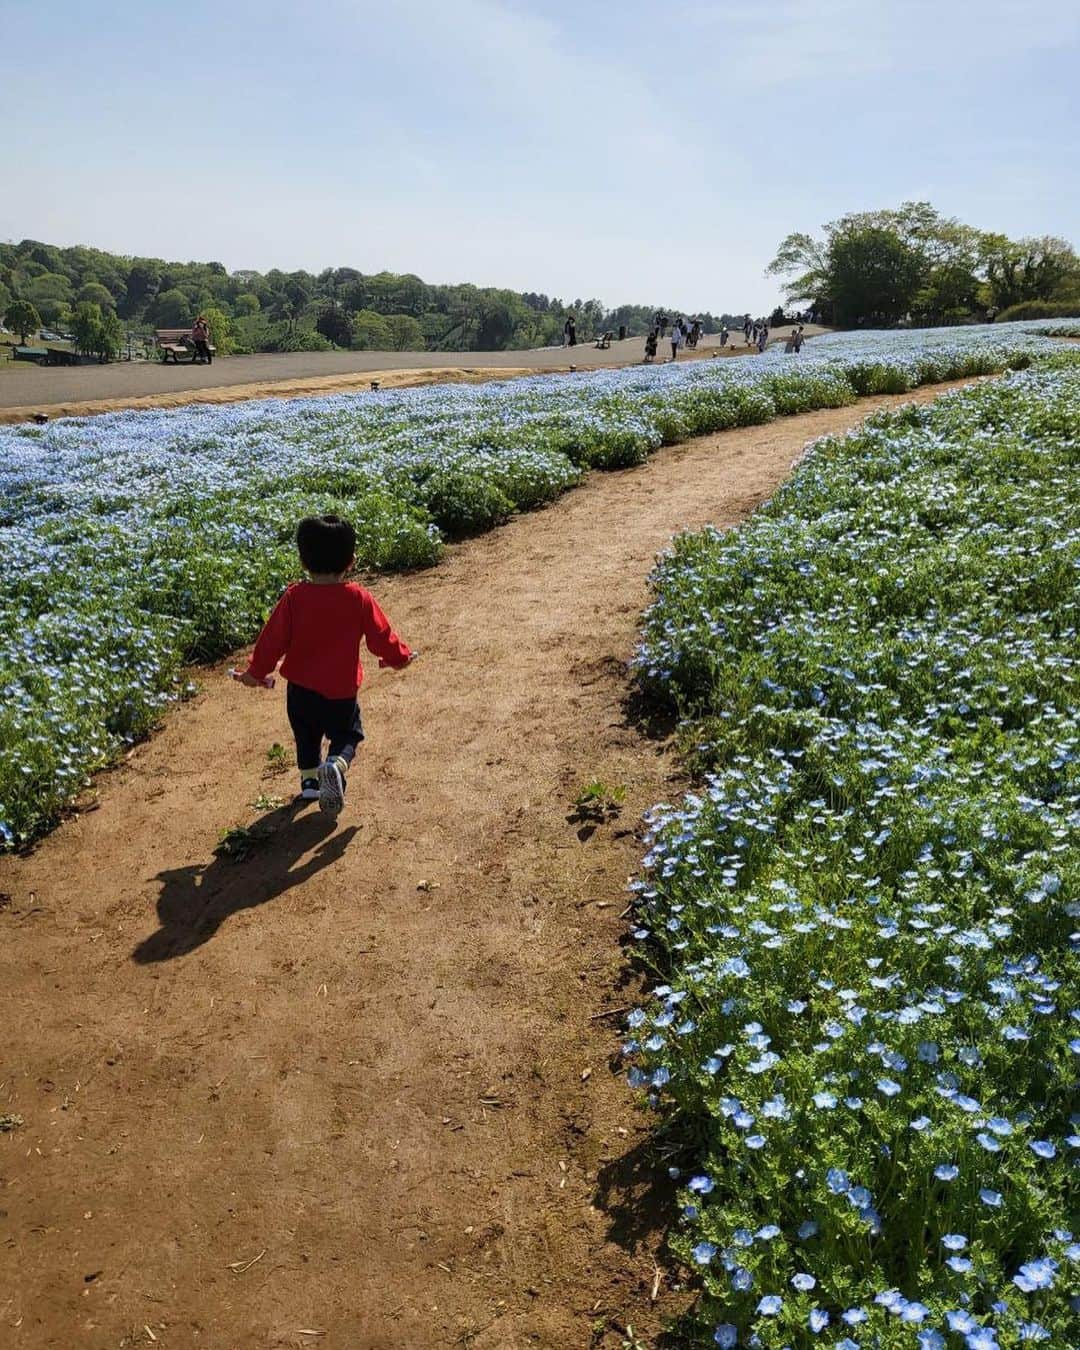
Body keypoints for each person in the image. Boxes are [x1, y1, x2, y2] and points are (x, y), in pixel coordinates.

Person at [235, 515, 416, 818]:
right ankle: (335, 765)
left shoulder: (294, 597)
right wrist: (398, 658)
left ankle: (310, 783)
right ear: (351, 561)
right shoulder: (358, 597)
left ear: (302, 561)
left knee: (306, 734)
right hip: (341, 689)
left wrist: (255, 673)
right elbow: (381, 636)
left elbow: (271, 641)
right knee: (347, 736)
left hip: (300, 690)